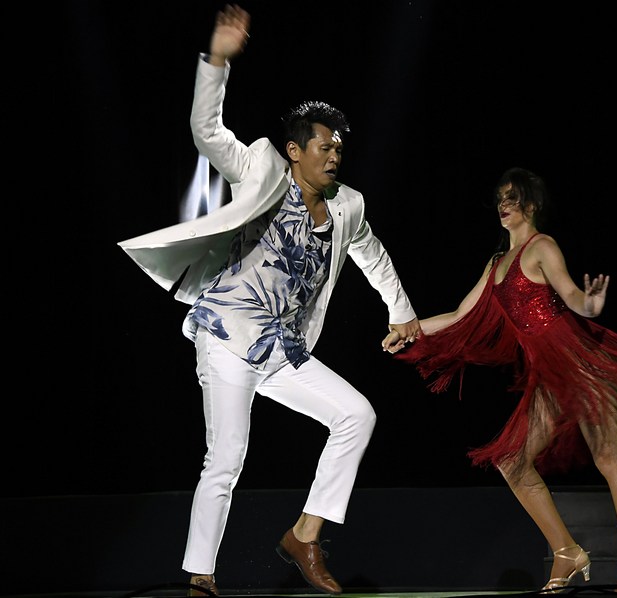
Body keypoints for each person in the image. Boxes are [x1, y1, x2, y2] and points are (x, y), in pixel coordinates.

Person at [118, 5, 420, 596]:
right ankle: (200, 577)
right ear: (294, 150)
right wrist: (217, 62)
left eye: (340, 147)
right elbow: (207, 134)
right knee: (226, 458)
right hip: (228, 332)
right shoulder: (261, 167)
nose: (335, 154)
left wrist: (400, 309)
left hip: (281, 346)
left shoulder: (347, 206)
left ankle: (304, 535)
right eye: (324, 147)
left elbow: (373, 254)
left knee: (356, 415)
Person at [383, 167, 617, 593]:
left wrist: (591, 305)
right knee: (512, 463)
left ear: (531, 206)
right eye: (500, 197)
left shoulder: (542, 248)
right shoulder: (497, 262)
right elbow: (461, 314)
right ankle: (567, 552)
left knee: (609, 457)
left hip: (582, 364)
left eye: (513, 198)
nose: (504, 204)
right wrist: (410, 329)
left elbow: (574, 299)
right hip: (550, 377)